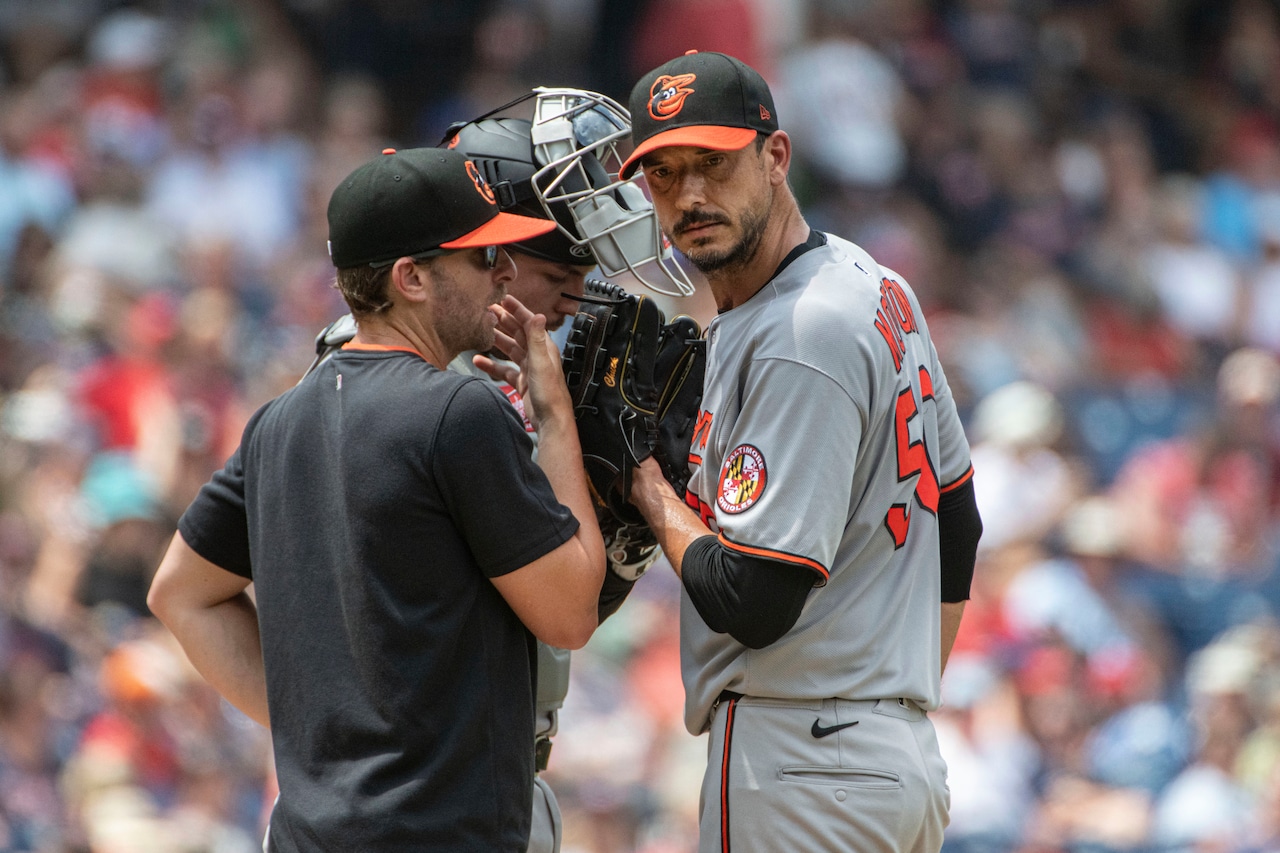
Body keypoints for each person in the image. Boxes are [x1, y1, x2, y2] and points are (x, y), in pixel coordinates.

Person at [146, 145, 607, 852]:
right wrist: (554, 414)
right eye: (483, 258)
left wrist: (316, 727)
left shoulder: (277, 422)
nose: (505, 273)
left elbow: (180, 593)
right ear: (411, 277)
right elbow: (570, 612)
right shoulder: (459, 411)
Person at [617, 50, 985, 852]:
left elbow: (756, 599)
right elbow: (958, 520)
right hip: (885, 760)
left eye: (714, 162)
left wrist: (648, 488)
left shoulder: (798, 330)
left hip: (799, 761)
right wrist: (890, 696)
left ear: (776, 156)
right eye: (664, 174)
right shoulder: (875, 282)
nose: (690, 195)